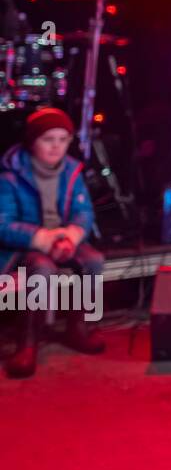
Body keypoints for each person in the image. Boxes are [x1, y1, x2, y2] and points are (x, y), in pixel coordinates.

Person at [0, 106, 105, 379]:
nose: (56, 147)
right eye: (48, 139)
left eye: (62, 140)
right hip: (26, 245)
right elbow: (4, 224)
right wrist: (42, 240)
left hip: (61, 238)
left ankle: (79, 327)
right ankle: (28, 342)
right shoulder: (11, 174)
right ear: (33, 141)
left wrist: (70, 237)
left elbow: (84, 212)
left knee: (93, 260)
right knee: (43, 268)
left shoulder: (72, 170)